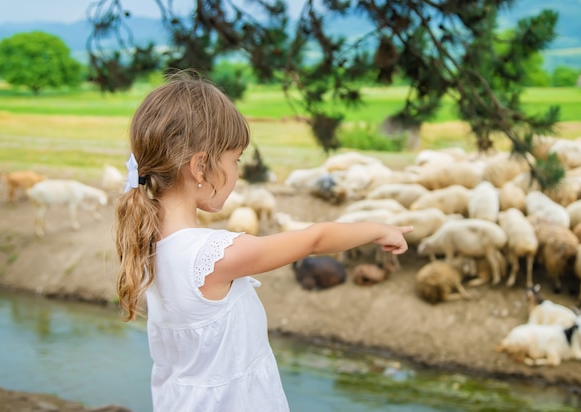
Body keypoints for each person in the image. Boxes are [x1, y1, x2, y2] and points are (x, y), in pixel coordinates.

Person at [115, 70, 413, 412]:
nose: (238, 172)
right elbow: (315, 239)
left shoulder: (148, 240)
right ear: (200, 167)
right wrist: (378, 229)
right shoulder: (211, 257)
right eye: (235, 160)